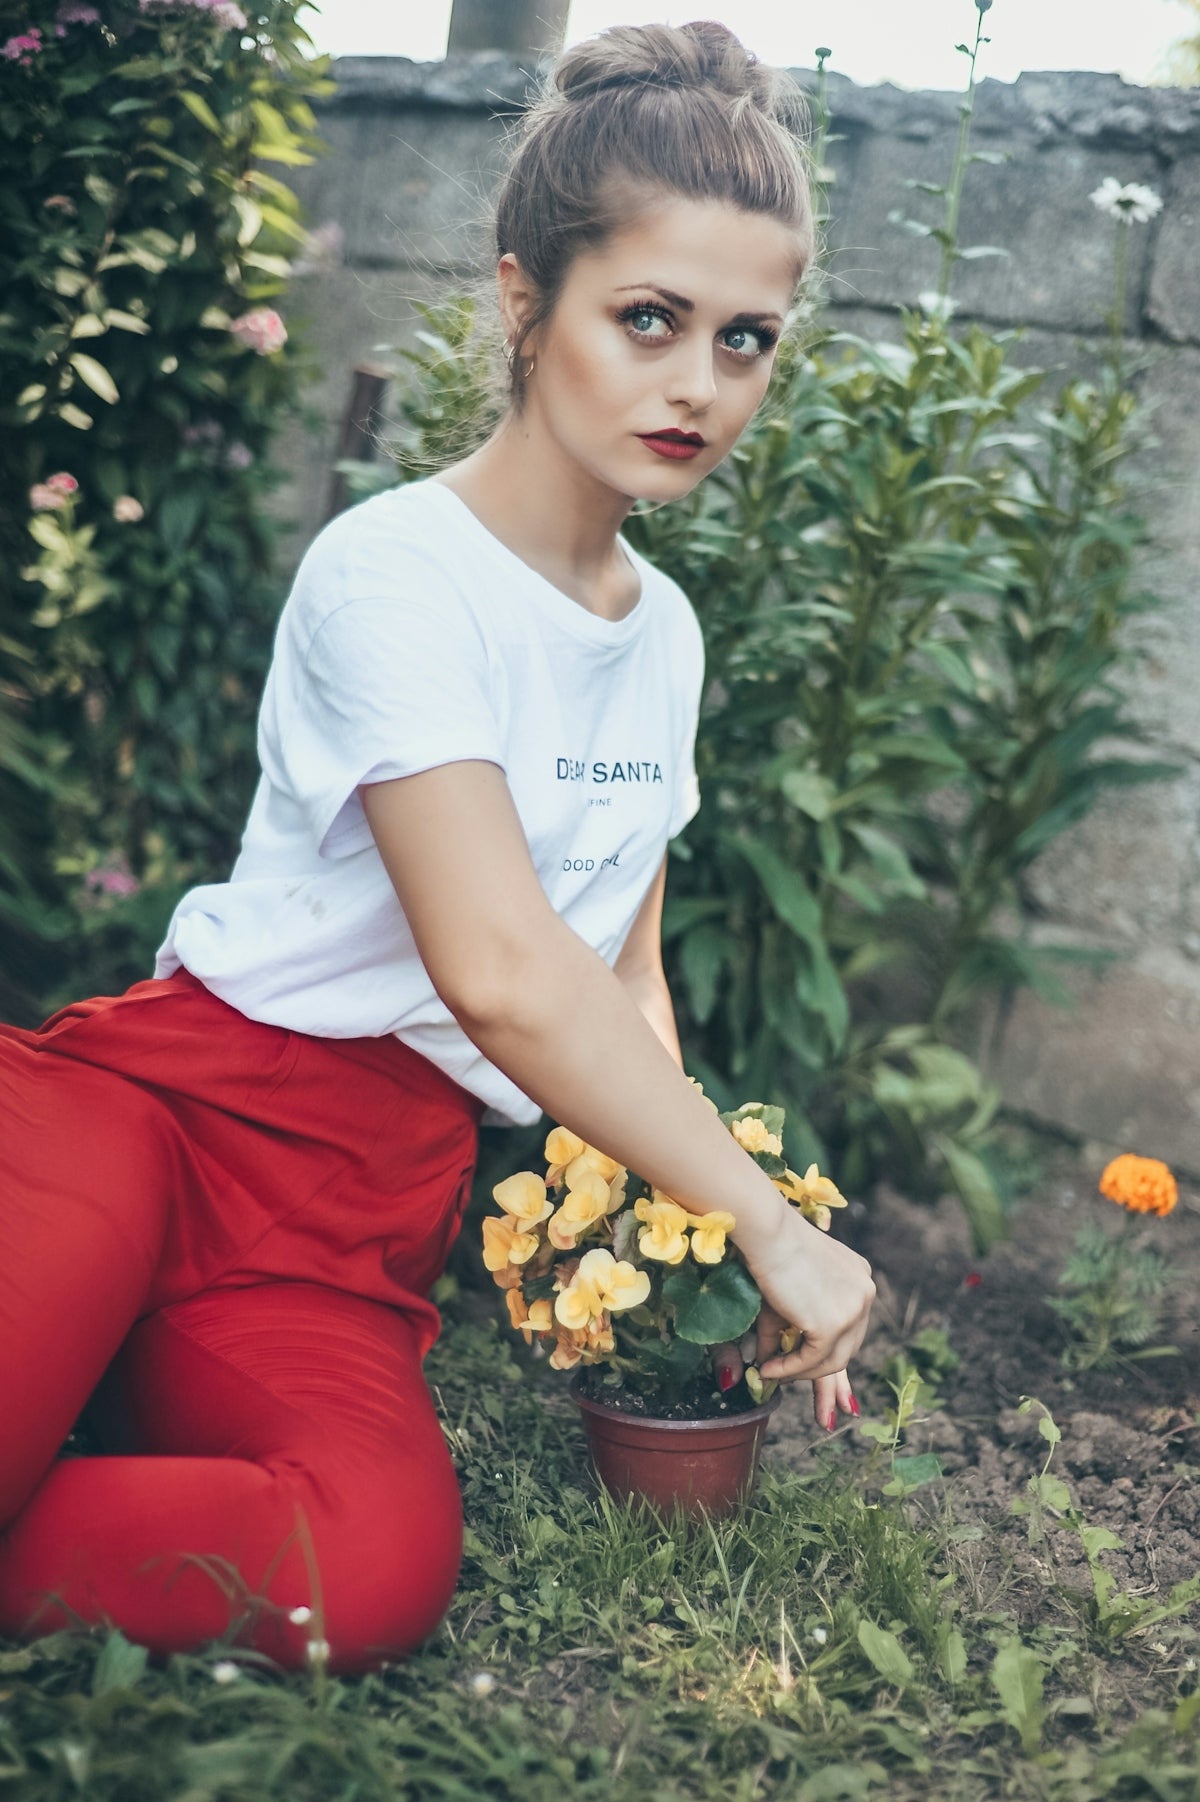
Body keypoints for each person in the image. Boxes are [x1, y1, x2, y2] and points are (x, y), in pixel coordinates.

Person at [0, 18, 874, 1677]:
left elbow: (619, 965)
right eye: (649, 319)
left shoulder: (666, 633)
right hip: (162, 1122)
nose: (699, 383)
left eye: (747, 339)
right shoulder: (392, 570)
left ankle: (65, 1421)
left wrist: (661, 1253)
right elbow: (498, 966)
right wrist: (761, 1217)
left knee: (366, 1568)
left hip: (349, 1237)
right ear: (523, 297)